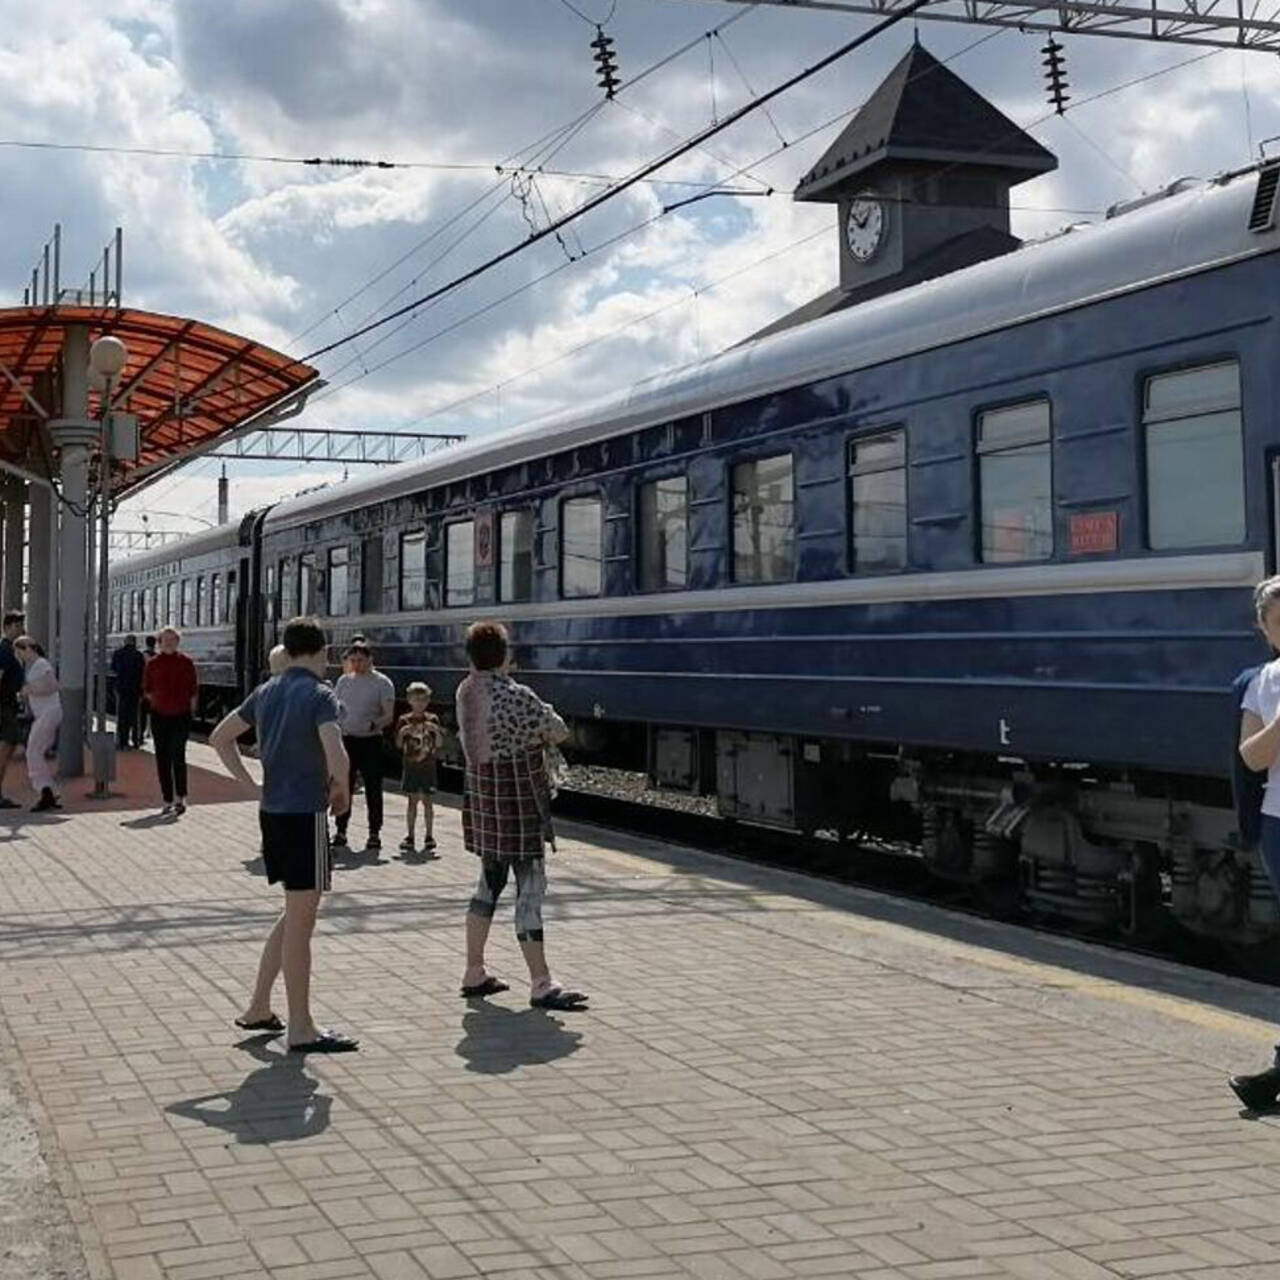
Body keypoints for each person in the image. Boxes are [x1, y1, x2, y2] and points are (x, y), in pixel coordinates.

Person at [209, 615, 357, 1054]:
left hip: (272, 813)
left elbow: (221, 738)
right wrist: (341, 787)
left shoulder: (266, 691)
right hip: (305, 815)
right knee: (303, 923)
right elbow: (336, 751)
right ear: (320, 653)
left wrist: (247, 784)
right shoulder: (319, 694)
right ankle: (302, 1027)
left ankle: (258, 1006)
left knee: (293, 913)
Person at [457, 621, 586, 1010]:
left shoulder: (465, 691)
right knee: (529, 888)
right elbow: (559, 731)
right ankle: (541, 982)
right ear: (504, 656)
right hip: (517, 802)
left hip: (482, 800)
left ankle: (474, 970)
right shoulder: (517, 696)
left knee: (487, 884)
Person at [333, 640, 394, 852]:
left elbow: (388, 715)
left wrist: (375, 723)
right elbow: (336, 709)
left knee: (373, 788)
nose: (357, 665)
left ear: (370, 660)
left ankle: (374, 833)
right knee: (344, 786)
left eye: (361, 660)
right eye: (353, 660)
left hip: (370, 740)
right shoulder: (343, 681)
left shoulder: (382, 683)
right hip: (347, 739)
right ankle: (341, 831)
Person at [143, 627, 198, 816]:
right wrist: (158, 703)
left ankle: (181, 797)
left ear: (177, 642)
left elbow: (193, 689)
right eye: (165, 640)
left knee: (178, 755)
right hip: (159, 715)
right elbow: (147, 689)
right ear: (159, 642)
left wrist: (190, 710)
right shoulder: (153, 664)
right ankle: (167, 799)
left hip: (181, 715)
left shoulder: (186, 662)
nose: (169, 643)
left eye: (173, 640)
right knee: (162, 758)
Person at [394, 682, 443, 857]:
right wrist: (402, 733)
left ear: (428, 701)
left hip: (428, 766)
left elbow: (439, 745)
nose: (420, 703)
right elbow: (399, 745)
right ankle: (410, 835)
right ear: (409, 700)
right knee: (412, 801)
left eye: (423, 700)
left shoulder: (433, 719)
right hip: (411, 766)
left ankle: (429, 835)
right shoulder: (403, 720)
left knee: (428, 802)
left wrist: (436, 731)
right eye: (416, 700)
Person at [15, 636, 61, 813]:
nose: (18, 655)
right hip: (47, 714)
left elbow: (52, 686)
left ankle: (45, 790)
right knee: (36, 752)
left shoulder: (41, 664)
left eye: (19, 651)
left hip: (47, 714)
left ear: (27, 648)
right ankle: (48, 789)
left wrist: (28, 690)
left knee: (33, 752)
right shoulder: (38, 665)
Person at [0, 611, 25, 809]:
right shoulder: (4, 651)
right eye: (17, 626)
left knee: (7, 747)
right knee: (6, 748)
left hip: (8, 705)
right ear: (7, 627)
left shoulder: (8, 649)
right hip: (4, 707)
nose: (20, 630)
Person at [110, 634, 146, 750]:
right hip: (135, 689)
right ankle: (136, 741)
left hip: (121, 688)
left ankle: (122, 741)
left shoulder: (118, 653)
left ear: (125, 642)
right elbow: (142, 672)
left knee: (122, 715)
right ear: (134, 643)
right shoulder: (139, 655)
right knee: (135, 716)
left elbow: (113, 668)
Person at [138, 634, 157, 745]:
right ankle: (150, 732)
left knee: (142, 712)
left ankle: (141, 734)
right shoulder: (157, 656)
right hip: (154, 687)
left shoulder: (143, 656)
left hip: (144, 687)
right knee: (152, 712)